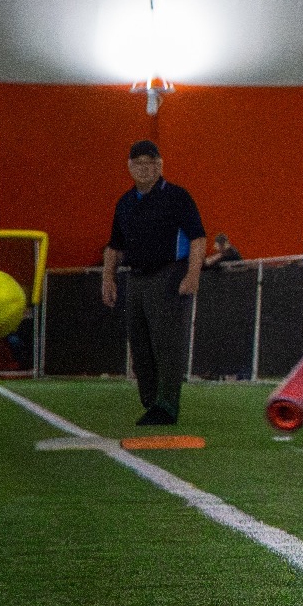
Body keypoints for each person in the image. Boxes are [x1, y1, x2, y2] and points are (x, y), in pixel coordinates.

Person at [102, 140, 205, 426]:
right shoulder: (124, 202)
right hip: (135, 278)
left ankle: (166, 406)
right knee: (140, 345)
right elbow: (115, 245)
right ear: (129, 167)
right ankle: (151, 402)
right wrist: (108, 278)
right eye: (138, 164)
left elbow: (198, 237)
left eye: (149, 163)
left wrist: (192, 275)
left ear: (160, 165)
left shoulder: (177, 197)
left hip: (168, 276)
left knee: (168, 344)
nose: (143, 169)